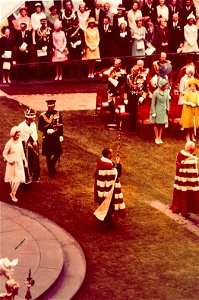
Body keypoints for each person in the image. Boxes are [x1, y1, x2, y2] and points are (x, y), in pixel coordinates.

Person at [94, 147, 126, 230]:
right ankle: (104, 225)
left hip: (103, 189)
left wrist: (116, 164)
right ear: (108, 155)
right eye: (111, 153)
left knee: (106, 207)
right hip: (108, 191)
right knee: (109, 208)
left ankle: (109, 223)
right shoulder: (107, 165)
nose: (112, 154)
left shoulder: (102, 161)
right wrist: (118, 164)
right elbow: (116, 174)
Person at [170, 141, 199, 218]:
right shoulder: (181, 155)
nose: (193, 149)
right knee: (182, 194)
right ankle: (182, 210)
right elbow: (181, 164)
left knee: (188, 195)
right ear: (190, 148)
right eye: (192, 147)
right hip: (183, 180)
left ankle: (186, 210)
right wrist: (191, 159)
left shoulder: (192, 156)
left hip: (190, 181)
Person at [38, 100, 63, 177]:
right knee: (48, 154)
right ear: (47, 107)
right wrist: (46, 130)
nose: (51, 108)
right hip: (47, 136)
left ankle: (52, 166)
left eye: (52, 106)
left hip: (55, 136)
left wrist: (61, 135)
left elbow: (61, 125)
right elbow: (39, 127)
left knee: (58, 152)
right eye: (49, 107)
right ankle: (50, 171)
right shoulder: (43, 115)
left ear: (54, 106)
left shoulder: (58, 114)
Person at [2, 126, 28, 202]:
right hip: (12, 164)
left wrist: (25, 161)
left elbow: (22, 152)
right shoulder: (9, 143)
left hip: (19, 162)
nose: (18, 136)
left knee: (18, 179)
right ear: (13, 135)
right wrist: (8, 160)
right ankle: (13, 194)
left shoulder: (19, 140)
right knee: (13, 180)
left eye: (19, 135)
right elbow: (4, 154)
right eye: (17, 135)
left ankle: (13, 193)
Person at [18, 108, 40, 183]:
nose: (34, 119)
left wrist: (35, 141)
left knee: (35, 159)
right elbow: (21, 138)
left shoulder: (33, 124)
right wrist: (28, 145)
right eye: (33, 117)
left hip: (33, 145)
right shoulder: (21, 126)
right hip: (25, 146)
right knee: (27, 161)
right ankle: (26, 178)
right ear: (28, 118)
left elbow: (34, 134)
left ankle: (34, 177)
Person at [102, 58, 126, 123]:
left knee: (115, 105)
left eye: (116, 64)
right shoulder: (113, 70)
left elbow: (117, 84)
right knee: (110, 105)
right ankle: (112, 118)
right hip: (110, 91)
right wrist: (110, 69)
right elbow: (104, 73)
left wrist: (109, 78)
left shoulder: (122, 72)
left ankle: (116, 119)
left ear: (120, 65)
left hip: (117, 91)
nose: (115, 65)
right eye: (114, 64)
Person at [126, 63, 148, 130]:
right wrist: (125, 98)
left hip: (139, 97)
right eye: (133, 70)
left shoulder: (142, 77)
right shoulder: (129, 77)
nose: (134, 72)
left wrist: (143, 97)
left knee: (138, 113)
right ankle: (131, 128)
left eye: (136, 70)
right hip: (131, 97)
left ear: (138, 71)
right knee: (131, 112)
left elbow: (145, 90)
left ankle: (138, 128)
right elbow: (126, 89)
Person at [149, 78, 169, 144]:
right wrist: (153, 112)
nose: (167, 87)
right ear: (162, 85)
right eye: (165, 85)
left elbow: (167, 101)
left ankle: (160, 137)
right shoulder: (156, 92)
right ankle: (156, 137)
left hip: (163, 110)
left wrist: (168, 107)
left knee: (161, 124)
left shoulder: (166, 92)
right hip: (157, 109)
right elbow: (153, 103)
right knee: (157, 124)